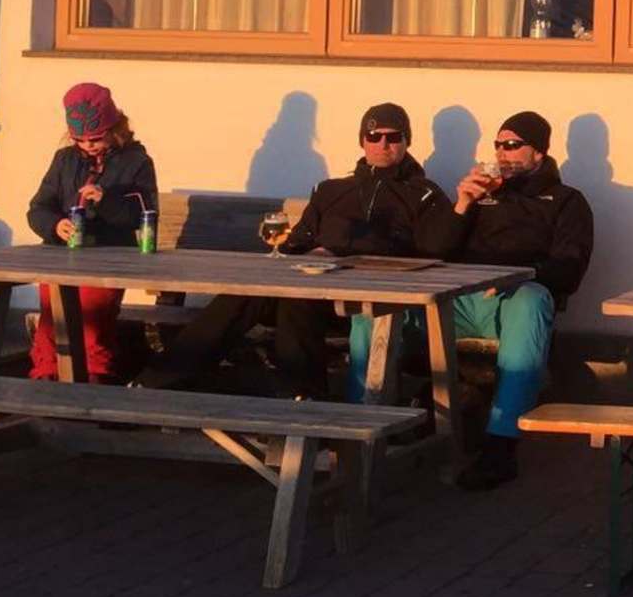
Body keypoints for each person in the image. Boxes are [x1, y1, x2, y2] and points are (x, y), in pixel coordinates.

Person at [139, 103, 448, 399]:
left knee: (296, 298)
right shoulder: (332, 190)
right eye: (374, 136)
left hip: (364, 301)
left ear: (406, 141)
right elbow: (296, 241)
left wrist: (341, 255)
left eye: (393, 137)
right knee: (245, 293)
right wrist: (307, 252)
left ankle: (303, 396)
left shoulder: (423, 194)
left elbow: (432, 251)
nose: (383, 144)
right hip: (312, 285)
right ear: (362, 141)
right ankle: (159, 380)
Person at [356, 110, 594, 491]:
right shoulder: (483, 194)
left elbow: (570, 269)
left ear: (539, 152)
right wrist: (463, 203)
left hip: (512, 299)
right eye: (498, 145)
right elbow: (436, 250)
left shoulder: (566, 201)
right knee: (371, 310)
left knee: (531, 300)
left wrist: (519, 275)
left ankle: (501, 445)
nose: (502, 153)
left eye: (512, 145)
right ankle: (358, 427)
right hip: (461, 299)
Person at [24, 82, 157, 383]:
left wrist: (106, 201)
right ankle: (44, 382)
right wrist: (54, 225)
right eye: (79, 140)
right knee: (50, 325)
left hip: (108, 256)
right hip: (61, 255)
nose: (88, 145)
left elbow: (144, 214)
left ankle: (95, 385)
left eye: (95, 138)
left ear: (114, 127)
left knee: (93, 327)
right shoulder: (64, 160)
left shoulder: (136, 162)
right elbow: (39, 207)